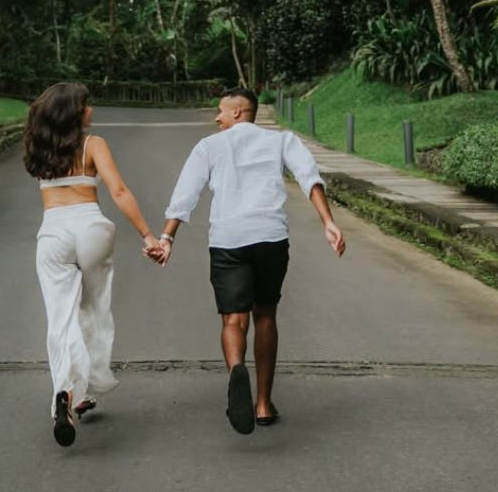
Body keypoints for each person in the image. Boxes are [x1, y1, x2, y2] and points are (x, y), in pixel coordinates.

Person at [154, 86, 345, 435]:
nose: (217, 117)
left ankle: (236, 370)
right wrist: (328, 222)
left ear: (239, 111)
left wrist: (167, 237)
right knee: (266, 313)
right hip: (270, 236)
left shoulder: (209, 146)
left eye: (221, 111)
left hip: (228, 238)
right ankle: (262, 404)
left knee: (233, 319)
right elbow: (309, 177)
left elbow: (186, 194)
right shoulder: (281, 141)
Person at [23, 81, 165, 448]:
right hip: (90, 228)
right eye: (86, 105)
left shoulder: (39, 146)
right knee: (93, 309)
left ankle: (65, 392)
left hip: (53, 233)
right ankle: (83, 389)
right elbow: (118, 191)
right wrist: (148, 236)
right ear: (73, 111)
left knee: (61, 317)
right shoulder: (93, 144)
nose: (92, 110)